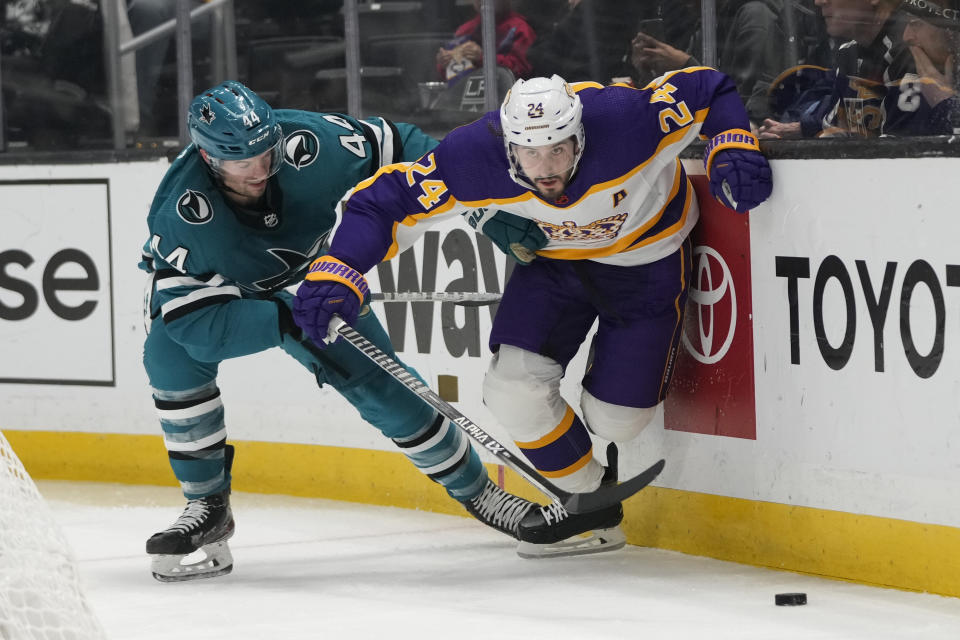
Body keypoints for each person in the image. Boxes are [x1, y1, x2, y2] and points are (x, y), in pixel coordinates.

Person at [139, 81, 606, 582]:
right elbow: (193, 324)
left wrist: (481, 207)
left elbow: (407, 147)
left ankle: (483, 496)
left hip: (314, 279)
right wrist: (285, 321)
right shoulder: (180, 212)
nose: (257, 170)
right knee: (168, 358)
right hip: (216, 296)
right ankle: (207, 505)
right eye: (239, 163)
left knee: (379, 384)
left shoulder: (313, 144)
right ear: (208, 160)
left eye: (264, 152)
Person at [292, 73, 773, 547]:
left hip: (642, 261)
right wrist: (339, 266)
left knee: (618, 421)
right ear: (508, 146)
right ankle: (590, 502)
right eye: (530, 152)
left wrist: (731, 139)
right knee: (512, 392)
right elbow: (384, 202)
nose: (546, 168)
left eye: (558, 150)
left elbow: (709, 88)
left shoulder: (626, 120)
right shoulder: (473, 155)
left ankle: (604, 412)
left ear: (579, 136)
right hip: (551, 267)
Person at [758, 0, 912, 139]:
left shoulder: (908, 48)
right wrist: (796, 130)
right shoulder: (848, 52)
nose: (819, 2)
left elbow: (904, 150)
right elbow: (836, 126)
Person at [630, 0, 788, 126]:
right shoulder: (707, 28)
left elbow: (745, 106)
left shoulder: (755, 16)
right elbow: (679, 109)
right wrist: (651, 73)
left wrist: (685, 65)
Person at [881, 0, 960, 135]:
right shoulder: (906, 74)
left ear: (952, 28)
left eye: (915, 23)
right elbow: (890, 151)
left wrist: (943, 102)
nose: (906, 37)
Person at [435, 0, 535, 84]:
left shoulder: (520, 28)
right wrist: (444, 64)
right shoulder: (465, 30)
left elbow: (523, 71)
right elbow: (450, 78)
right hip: (465, 97)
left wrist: (483, 58)